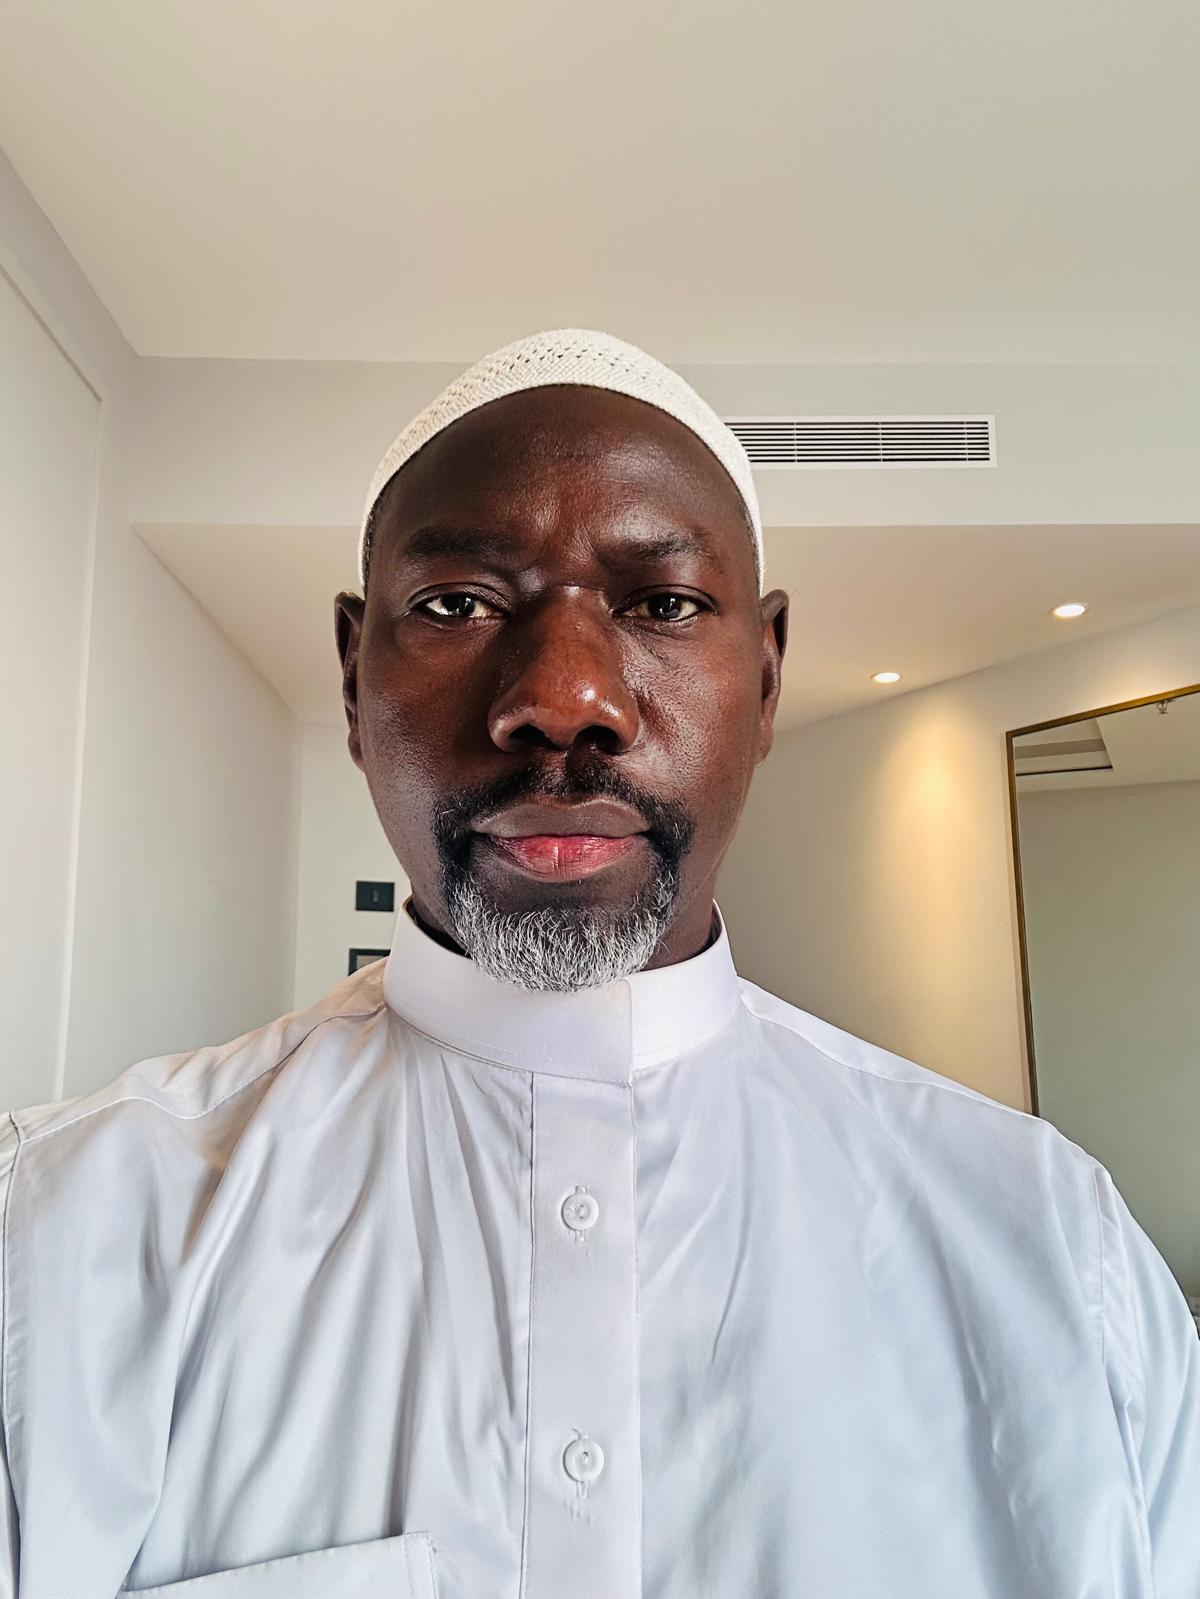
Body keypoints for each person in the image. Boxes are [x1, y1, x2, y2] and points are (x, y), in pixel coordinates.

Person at [1, 328, 1196, 1599]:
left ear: (767, 680)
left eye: (662, 604)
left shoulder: (1049, 1247)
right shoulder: (67, 1235)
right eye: (458, 604)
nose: (566, 698)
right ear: (353, 680)